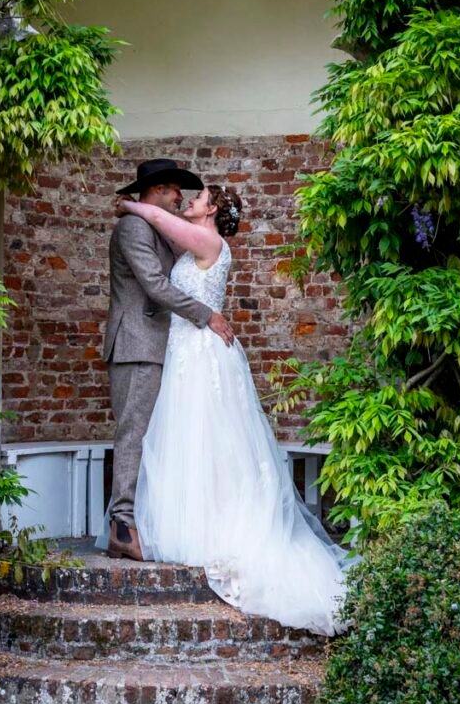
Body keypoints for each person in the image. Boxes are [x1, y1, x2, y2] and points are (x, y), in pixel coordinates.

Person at [116, 184, 351, 635]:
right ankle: (196, 522)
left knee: (206, 438)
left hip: (200, 354)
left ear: (214, 209)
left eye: (198, 196)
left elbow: (162, 221)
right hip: (187, 349)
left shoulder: (207, 240)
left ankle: (213, 529)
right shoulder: (201, 239)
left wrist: (128, 203)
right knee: (194, 441)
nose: (188, 200)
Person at [102, 158, 235, 561]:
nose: (182, 197)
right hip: (135, 345)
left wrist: (133, 205)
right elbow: (156, 285)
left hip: (157, 346)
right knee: (133, 432)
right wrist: (206, 314)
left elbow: (189, 246)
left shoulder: (152, 225)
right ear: (158, 189)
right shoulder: (132, 229)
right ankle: (122, 526)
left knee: (151, 435)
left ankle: (143, 519)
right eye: (177, 189)